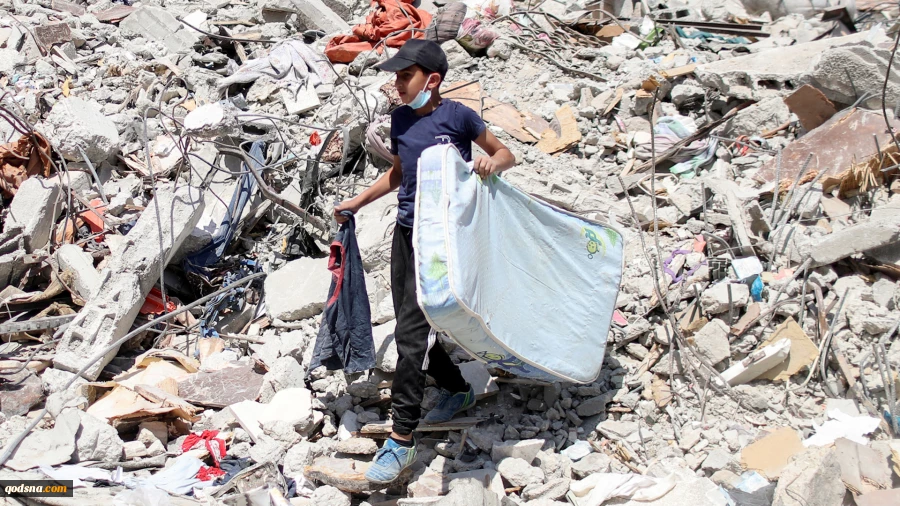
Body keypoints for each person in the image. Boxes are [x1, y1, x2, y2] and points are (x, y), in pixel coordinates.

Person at [333, 39, 516, 484]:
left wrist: (493, 164)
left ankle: (401, 439)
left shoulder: (457, 117)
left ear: (431, 80)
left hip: (446, 239)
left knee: (412, 336)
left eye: (404, 76)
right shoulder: (398, 119)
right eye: (395, 76)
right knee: (409, 322)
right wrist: (357, 201)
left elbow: (505, 152)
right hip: (408, 233)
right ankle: (456, 388)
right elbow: (399, 172)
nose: (396, 84)